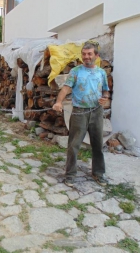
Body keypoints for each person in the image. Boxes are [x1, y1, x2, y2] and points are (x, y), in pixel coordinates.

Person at [52, 41, 109, 187]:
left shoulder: (101, 73)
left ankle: (98, 173)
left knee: (97, 144)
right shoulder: (76, 71)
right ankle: (70, 174)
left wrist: (105, 98)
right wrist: (58, 102)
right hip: (79, 113)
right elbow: (65, 89)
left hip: (96, 112)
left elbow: (105, 91)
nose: (86, 57)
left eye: (90, 54)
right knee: (73, 145)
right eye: (84, 54)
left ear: (96, 55)